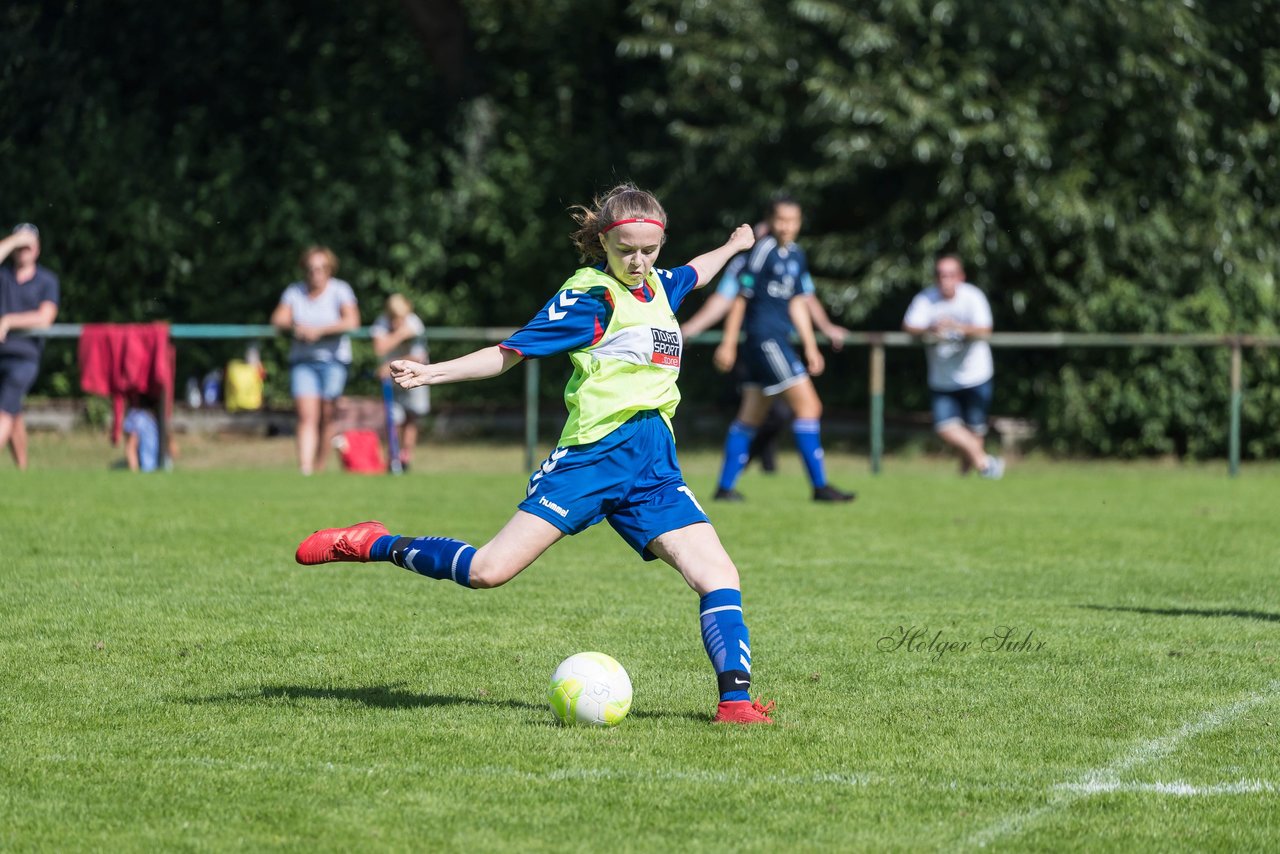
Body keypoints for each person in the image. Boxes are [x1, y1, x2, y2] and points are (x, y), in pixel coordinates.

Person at [295, 183, 775, 725]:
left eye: (649, 250)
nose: (639, 262)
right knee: (487, 571)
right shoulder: (592, 299)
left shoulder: (662, 286)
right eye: (626, 251)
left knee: (719, 575)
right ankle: (374, 542)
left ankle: (735, 703)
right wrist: (433, 371)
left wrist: (734, 246)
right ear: (604, 242)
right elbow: (509, 353)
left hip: (653, 467)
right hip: (591, 461)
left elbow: (697, 270)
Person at [710, 197, 855, 503]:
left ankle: (724, 488)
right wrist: (727, 342)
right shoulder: (763, 251)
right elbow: (740, 297)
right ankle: (820, 486)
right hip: (765, 340)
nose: (787, 226)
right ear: (771, 220)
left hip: (778, 341)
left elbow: (798, 303)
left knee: (751, 415)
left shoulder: (797, 255)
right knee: (810, 407)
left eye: (793, 221)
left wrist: (812, 346)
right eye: (781, 220)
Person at [902, 254, 1004, 479]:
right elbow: (909, 326)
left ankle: (965, 478)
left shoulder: (973, 296)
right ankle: (987, 464)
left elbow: (985, 329)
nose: (945, 279)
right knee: (944, 427)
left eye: (950, 274)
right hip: (943, 378)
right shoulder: (926, 299)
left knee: (975, 431)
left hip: (976, 374)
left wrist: (958, 327)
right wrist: (930, 328)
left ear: (961, 276)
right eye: (940, 274)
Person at [270, 246, 359, 475]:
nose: (315, 273)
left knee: (328, 415)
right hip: (303, 361)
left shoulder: (340, 290)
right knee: (306, 415)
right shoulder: (294, 292)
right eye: (310, 269)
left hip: (333, 361)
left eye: (320, 268)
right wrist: (295, 328)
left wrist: (319, 332)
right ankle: (305, 468)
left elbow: (352, 321)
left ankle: (320, 465)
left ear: (329, 269)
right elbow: (278, 319)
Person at [0, 223, 60, 471]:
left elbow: (45, 318)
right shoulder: (3, 276)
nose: (23, 251)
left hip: (24, 356)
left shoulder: (47, 280)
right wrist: (14, 240)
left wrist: (9, 320)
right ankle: (23, 470)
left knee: (3, 410)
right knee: (14, 413)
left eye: (28, 246)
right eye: (19, 247)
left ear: (37, 249)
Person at [371, 293, 430, 470]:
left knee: (412, 417)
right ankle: (392, 457)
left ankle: (405, 458)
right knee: (393, 419)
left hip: (415, 375)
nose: (397, 322)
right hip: (392, 377)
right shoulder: (381, 322)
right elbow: (379, 348)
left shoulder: (414, 321)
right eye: (393, 318)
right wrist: (399, 334)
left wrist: (389, 361)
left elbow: (418, 357)